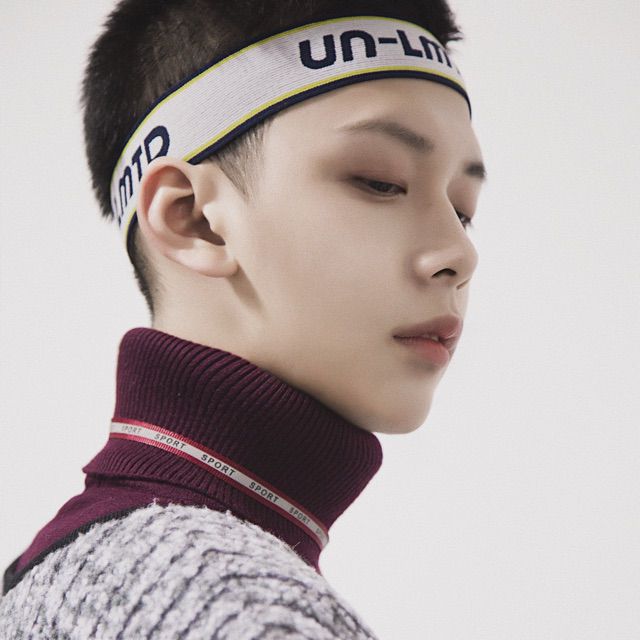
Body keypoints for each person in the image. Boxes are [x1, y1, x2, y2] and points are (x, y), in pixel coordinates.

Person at [0, 0, 486, 637]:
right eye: (380, 182)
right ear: (193, 219)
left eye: (463, 210)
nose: (459, 253)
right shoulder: (238, 604)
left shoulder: (74, 571)